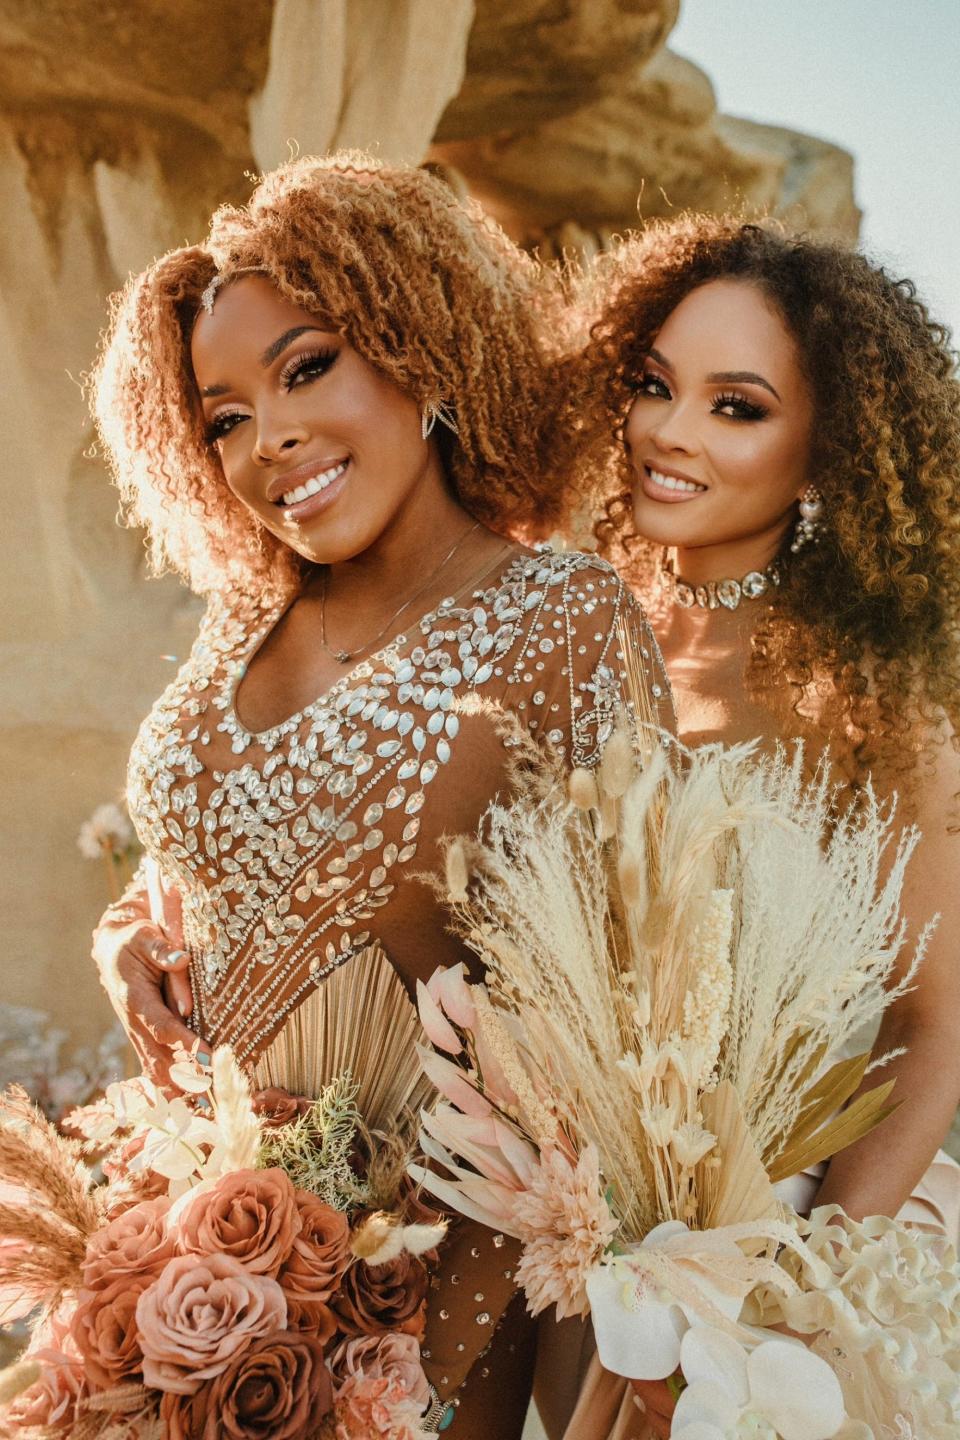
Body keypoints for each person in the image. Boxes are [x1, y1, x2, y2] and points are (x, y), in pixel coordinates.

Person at [87, 153, 672, 1440]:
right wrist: (128, 932)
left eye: (306, 369)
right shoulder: (246, 611)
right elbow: (196, 855)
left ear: (424, 344)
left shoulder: (562, 619)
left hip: (419, 1302)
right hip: (180, 1259)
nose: (268, 440)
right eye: (223, 415)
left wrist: (560, 1393)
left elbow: (629, 1063)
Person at [553, 216, 960, 1438]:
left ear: (827, 446)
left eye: (736, 406)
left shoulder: (879, 701)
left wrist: (785, 1303)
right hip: (568, 1244)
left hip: (782, 1277)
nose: (671, 433)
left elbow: (929, 1024)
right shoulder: (577, 641)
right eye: (653, 385)